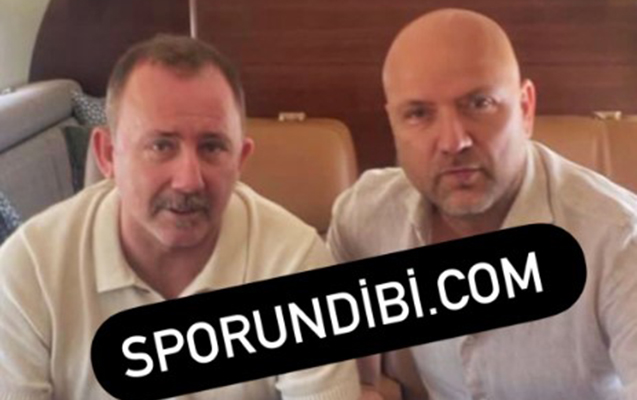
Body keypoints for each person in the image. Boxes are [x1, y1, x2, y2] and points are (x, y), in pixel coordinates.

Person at [0, 35, 360, 399]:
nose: (189, 180)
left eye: (212, 147)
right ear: (107, 155)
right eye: (161, 146)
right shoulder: (28, 272)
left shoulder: (298, 264)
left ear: (240, 160)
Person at [328, 8, 637, 400]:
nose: (453, 141)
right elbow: (347, 379)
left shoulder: (618, 239)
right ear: (394, 124)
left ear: (525, 109)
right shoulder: (366, 218)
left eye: (479, 103)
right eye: (419, 114)